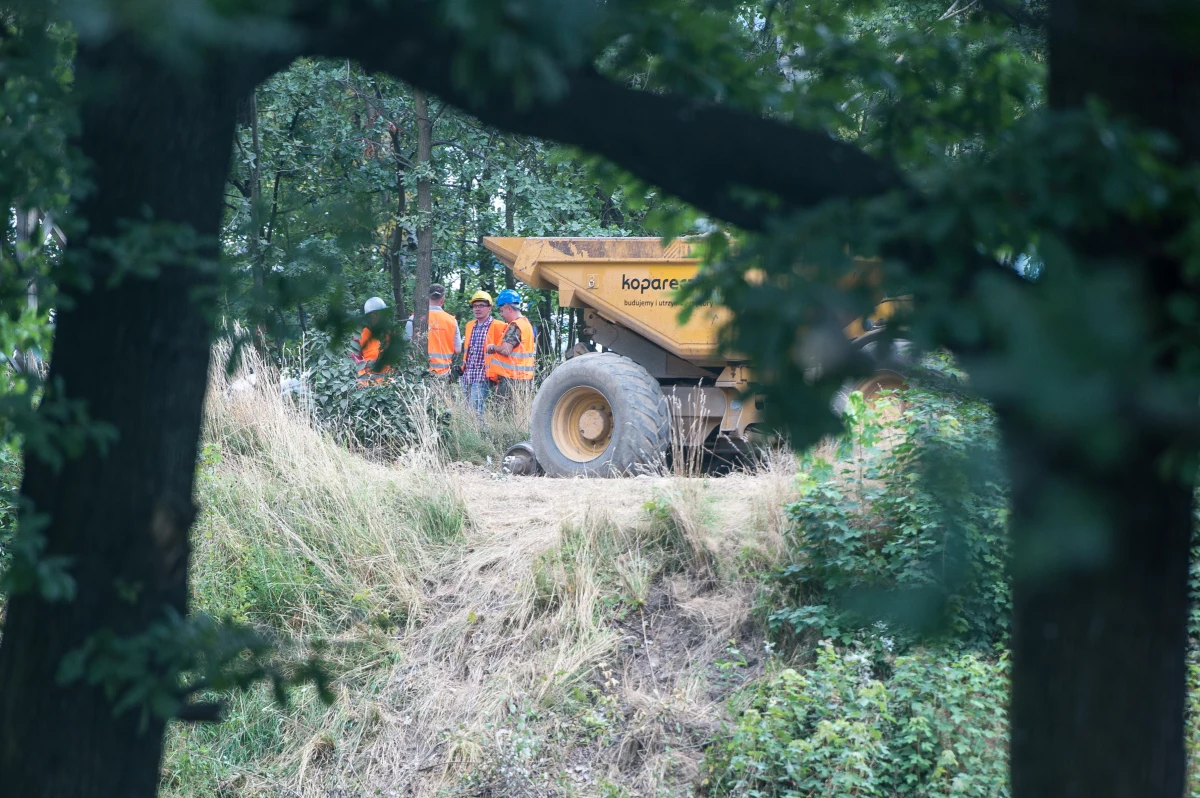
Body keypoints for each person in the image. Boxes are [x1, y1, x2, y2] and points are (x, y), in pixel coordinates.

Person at [459, 290, 508, 418]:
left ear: (490, 307)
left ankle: (480, 435)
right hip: (467, 374)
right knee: (465, 411)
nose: (477, 309)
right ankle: (475, 434)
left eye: (481, 306)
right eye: (475, 306)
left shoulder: (499, 326)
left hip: (483, 376)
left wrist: (499, 377)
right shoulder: (470, 325)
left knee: (475, 411)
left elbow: (504, 350)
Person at [405, 283, 461, 377]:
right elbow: (458, 350)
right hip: (443, 374)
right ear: (442, 300)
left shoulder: (414, 318)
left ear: (427, 299)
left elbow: (405, 344)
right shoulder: (452, 321)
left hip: (418, 374)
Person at [488, 289, 536, 396]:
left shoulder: (515, 325)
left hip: (511, 380)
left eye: (502, 311)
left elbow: (505, 350)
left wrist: (493, 347)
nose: (501, 314)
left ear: (509, 308)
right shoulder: (526, 324)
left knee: (504, 412)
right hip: (524, 379)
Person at [357, 296, 394, 386]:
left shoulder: (390, 334)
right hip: (369, 387)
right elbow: (356, 364)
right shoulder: (361, 336)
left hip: (389, 386)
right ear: (372, 314)